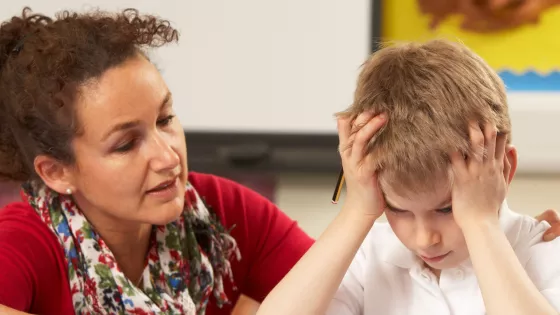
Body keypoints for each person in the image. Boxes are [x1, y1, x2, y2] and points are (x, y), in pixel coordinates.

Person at [0, 8, 558, 315]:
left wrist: (481, 226)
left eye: (166, 119)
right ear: (56, 171)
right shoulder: (19, 243)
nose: (168, 156)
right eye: (126, 144)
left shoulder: (221, 210)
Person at [257, 40, 560, 315]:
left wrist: (480, 223)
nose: (424, 238)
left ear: (503, 169)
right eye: (398, 209)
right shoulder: (369, 256)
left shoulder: (544, 251)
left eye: (446, 208)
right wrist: (356, 212)